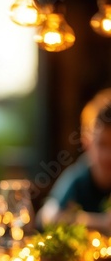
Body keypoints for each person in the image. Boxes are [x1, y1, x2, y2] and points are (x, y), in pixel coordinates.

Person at [37, 88, 111, 236]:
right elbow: (46, 216)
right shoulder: (79, 178)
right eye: (102, 144)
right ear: (86, 143)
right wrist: (100, 222)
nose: (109, 155)